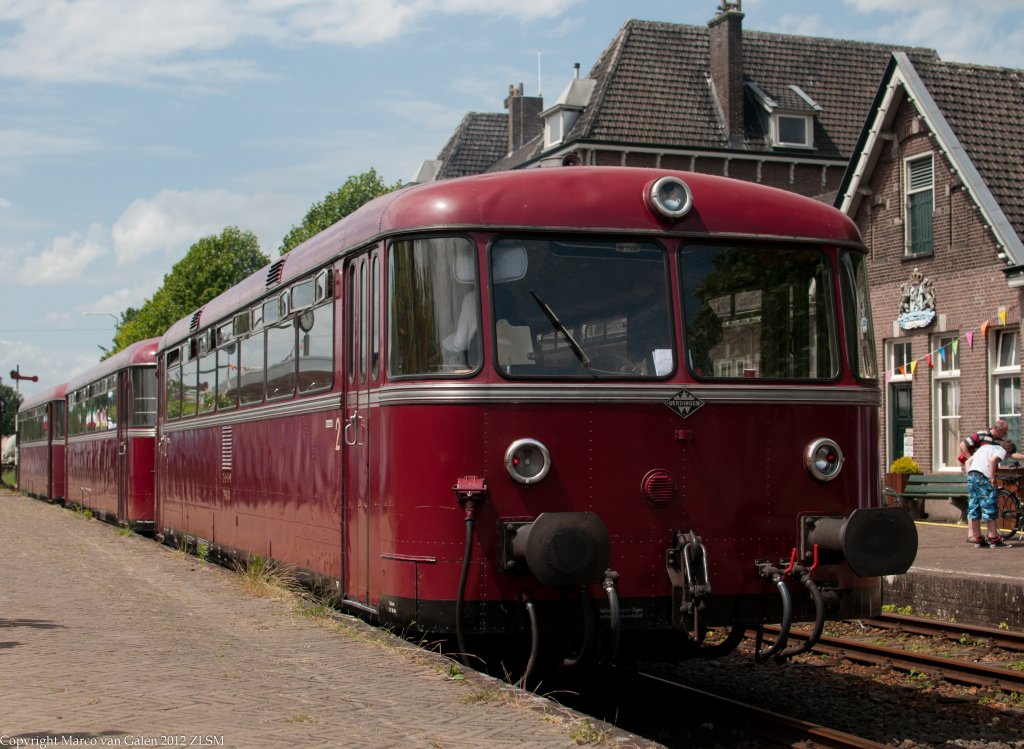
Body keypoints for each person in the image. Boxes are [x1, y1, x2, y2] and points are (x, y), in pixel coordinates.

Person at [965, 439, 1016, 548]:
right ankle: (994, 537)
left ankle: (977, 537)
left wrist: (970, 477)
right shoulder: (1001, 451)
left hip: (972, 475)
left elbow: (967, 462)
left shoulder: (985, 448)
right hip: (983, 477)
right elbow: (993, 461)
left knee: (974, 506)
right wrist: (992, 479)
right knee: (989, 505)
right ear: (1008, 452)